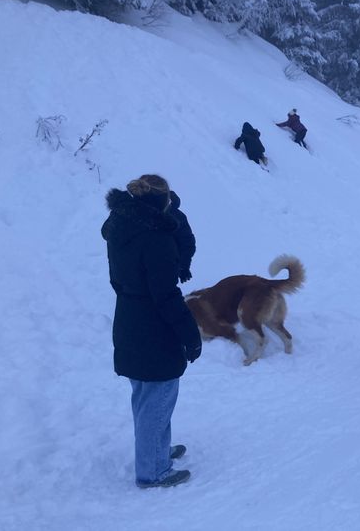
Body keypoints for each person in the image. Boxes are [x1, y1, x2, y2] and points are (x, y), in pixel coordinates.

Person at [101, 174, 203, 488]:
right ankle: (152, 471)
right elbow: (166, 295)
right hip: (153, 327)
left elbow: (120, 280)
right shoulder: (156, 238)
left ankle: (156, 451)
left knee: (146, 396)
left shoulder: (121, 226)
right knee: (159, 397)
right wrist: (190, 334)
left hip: (129, 319)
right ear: (161, 202)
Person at [168, 190, 196, 284]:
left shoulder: (175, 216)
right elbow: (188, 244)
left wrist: (183, 266)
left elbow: (187, 244)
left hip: (166, 270)